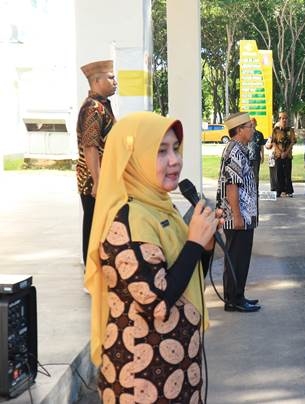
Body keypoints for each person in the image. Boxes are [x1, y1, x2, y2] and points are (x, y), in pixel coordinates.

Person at [85, 111, 219, 402]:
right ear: (135, 159)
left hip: (175, 366)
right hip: (142, 375)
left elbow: (184, 279)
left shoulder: (159, 206)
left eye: (175, 148)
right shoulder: (128, 221)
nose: (174, 160)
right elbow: (157, 302)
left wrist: (203, 247)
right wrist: (194, 242)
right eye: (160, 152)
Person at [216, 112, 261, 313]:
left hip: (244, 214)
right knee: (236, 258)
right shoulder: (234, 151)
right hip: (238, 216)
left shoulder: (240, 150)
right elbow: (232, 185)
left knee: (241, 258)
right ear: (239, 129)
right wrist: (236, 215)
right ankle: (233, 299)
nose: (252, 130)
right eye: (249, 126)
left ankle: (238, 296)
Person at [76, 60, 117, 266]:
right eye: (111, 77)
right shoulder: (94, 108)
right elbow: (90, 146)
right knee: (94, 227)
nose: (115, 81)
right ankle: (91, 272)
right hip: (94, 183)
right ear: (97, 81)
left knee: (98, 226)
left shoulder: (101, 106)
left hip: (99, 179)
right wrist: (98, 181)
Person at [271, 112, 296, 197]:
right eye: (282, 118)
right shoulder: (275, 130)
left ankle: (288, 191)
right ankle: (279, 191)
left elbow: (293, 142)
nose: (284, 120)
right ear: (279, 119)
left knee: (288, 173)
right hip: (278, 155)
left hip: (288, 155)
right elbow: (273, 142)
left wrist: (286, 152)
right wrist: (280, 152)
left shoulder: (291, 130)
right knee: (279, 173)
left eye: (286, 118)